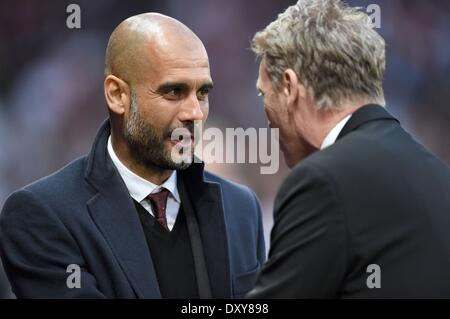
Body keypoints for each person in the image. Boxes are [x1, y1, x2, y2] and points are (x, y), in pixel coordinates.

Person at [0, 13, 265, 299]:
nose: (195, 113)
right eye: (174, 91)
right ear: (117, 95)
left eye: (202, 93)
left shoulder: (240, 208)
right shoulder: (42, 216)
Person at [247, 0, 450, 298]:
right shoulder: (439, 175)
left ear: (290, 87)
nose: (265, 117)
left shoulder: (322, 181)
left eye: (264, 94)